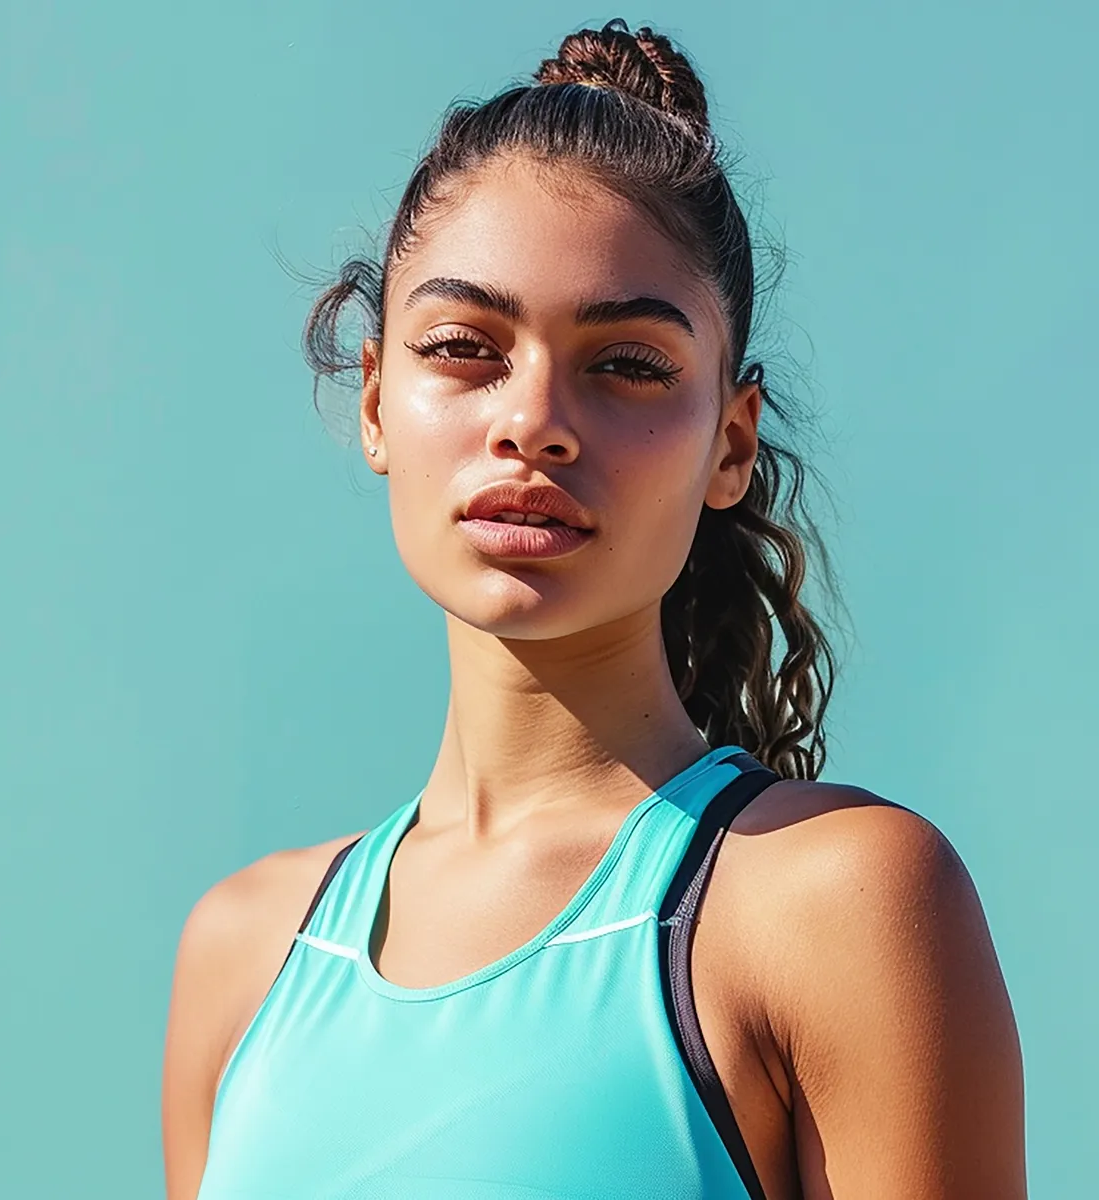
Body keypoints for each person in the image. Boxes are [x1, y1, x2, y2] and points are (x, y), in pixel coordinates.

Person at [161, 19, 1025, 1199]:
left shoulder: (839, 903)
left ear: (731, 443)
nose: (535, 421)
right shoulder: (244, 954)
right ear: (374, 402)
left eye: (627, 363)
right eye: (465, 347)